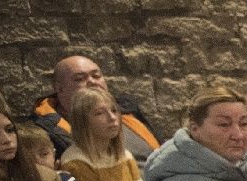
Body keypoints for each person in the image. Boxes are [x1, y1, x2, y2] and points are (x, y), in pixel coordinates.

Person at [58, 85, 157, 181]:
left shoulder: (125, 155)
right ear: (82, 122)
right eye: (99, 113)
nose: (112, 118)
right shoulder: (76, 162)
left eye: (114, 110)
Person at [31, 54, 160, 160]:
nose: (92, 82)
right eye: (80, 79)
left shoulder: (128, 111)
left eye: (96, 76)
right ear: (59, 88)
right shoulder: (46, 131)